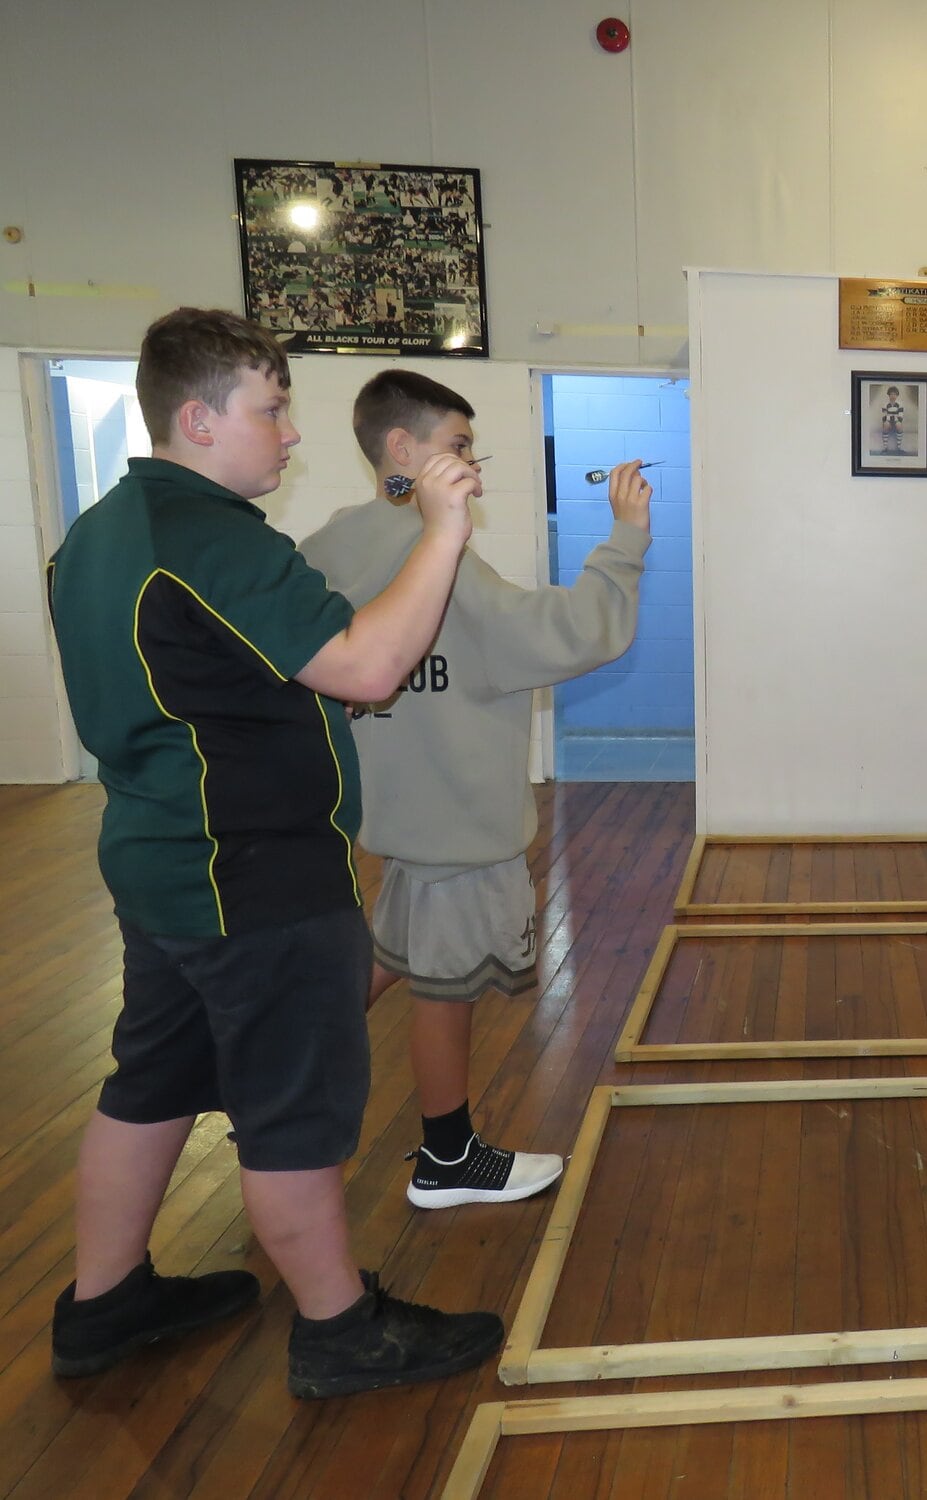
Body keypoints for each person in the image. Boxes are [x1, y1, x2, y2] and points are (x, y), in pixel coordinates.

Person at [44, 308, 504, 1400]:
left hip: (162, 868)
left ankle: (104, 1303)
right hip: (258, 883)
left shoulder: (98, 531)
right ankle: (339, 1330)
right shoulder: (210, 537)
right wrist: (442, 528)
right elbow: (368, 668)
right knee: (293, 1111)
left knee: (152, 1083)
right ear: (199, 420)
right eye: (273, 409)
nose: (291, 434)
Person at [300, 371, 651, 1211]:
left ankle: (277, 1074)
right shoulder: (440, 556)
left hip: (398, 813)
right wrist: (626, 538)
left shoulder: (324, 550)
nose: (475, 472)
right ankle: (447, 1158)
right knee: (445, 987)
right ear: (402, 449)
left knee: (393, 957)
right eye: (458, 448)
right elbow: (566, 633)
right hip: (455, 817)